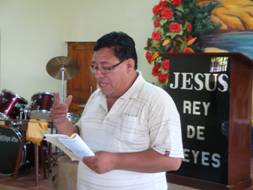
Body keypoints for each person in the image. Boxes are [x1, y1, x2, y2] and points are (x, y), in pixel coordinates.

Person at [51, 31, 184, 190]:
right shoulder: (96, 97)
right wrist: (61, 121)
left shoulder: (156, 100)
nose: (98, 75)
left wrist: (115, 161)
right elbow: (79, 137)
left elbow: (171, 160)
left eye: (106, 67)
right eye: (94, 67)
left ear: (129, 65)